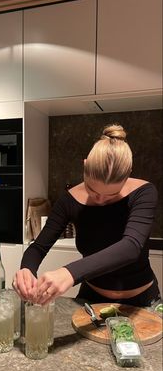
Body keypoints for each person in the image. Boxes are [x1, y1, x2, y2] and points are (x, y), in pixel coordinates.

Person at [13, 124, 161, 307]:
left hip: (141, 301)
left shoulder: (144, 193)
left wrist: (69, 273)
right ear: (85, 166)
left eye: (111, 195)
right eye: (92, 190)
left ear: (128, 174)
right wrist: (26, 269)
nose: (99, 200)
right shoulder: (69, 200)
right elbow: (38, 248)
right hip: (91, 299)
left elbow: (130, 247)